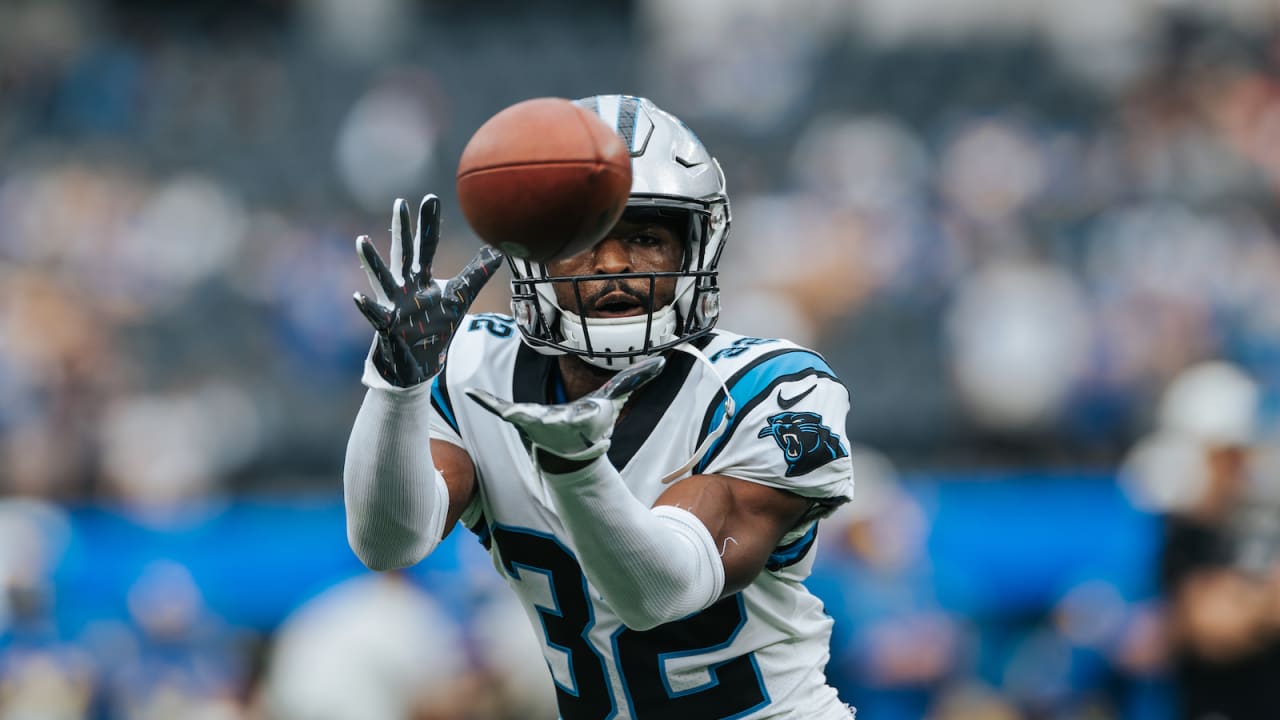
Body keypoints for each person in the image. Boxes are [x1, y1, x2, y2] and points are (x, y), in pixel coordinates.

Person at [343, 94, 857, 719]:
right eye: (584, 238)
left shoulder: (770, 387)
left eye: (644, 237)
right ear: (533, 252)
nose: (614, 264)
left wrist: (574, 467)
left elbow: (662, 592)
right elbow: (390, 543)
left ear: (693, 248)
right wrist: (397, 389)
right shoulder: (477, 365)